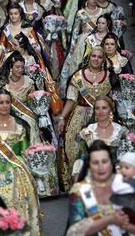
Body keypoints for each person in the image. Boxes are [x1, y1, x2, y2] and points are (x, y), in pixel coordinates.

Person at [0, 88, 42, 235]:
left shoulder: (20, 126)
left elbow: (25, 153)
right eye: (1, 102)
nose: (4, 105)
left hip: (15, 170)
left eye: (7, 102)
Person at [57, 47, 118, 191]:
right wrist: (62, 117)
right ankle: (77, 184)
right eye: (93, 56)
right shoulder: (78, 77)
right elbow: (71, 100)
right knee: (73, 148)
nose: (96, 59)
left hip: (101, 116)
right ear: (89, 58)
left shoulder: (109, 77)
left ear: (104, 60)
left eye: (99, 57)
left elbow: (111, 101)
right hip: (79, 115)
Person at [66, 140, 135, 235]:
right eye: (95, 163)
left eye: (104, 161)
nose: (101, 167)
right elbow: (73, 232)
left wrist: (126, 226)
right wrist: (109, 219)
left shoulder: (126, 184)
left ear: (111, 163)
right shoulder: (79, 190)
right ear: (89, 165)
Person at [59, 0, 106, 96]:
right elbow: (75, 32)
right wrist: (71, 50)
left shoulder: (102, 12)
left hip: (98, 43)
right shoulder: (81, 13)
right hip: (83, 44)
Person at [72, 96, 128, 179]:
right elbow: (81, 157)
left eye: (104, 108)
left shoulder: (121, 131)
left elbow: (127, 157)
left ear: (111, 110)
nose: (100, 111)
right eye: (97, 108)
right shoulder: (87, 131)